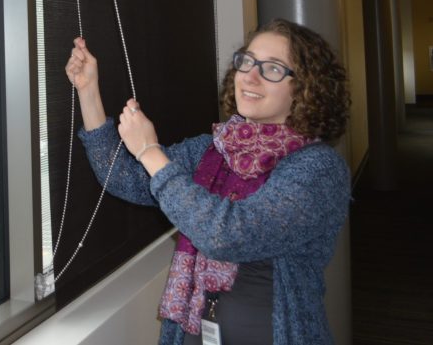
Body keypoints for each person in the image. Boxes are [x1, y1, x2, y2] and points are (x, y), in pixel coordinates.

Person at [65, 18, 350, 345]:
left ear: (306, 88)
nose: (250, 76)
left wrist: (150, 151)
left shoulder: (318, 169)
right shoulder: (216, 147)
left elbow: (227, 235)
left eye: (272, 68)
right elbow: (126, 179)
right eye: (247, 62)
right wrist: (89, 92)